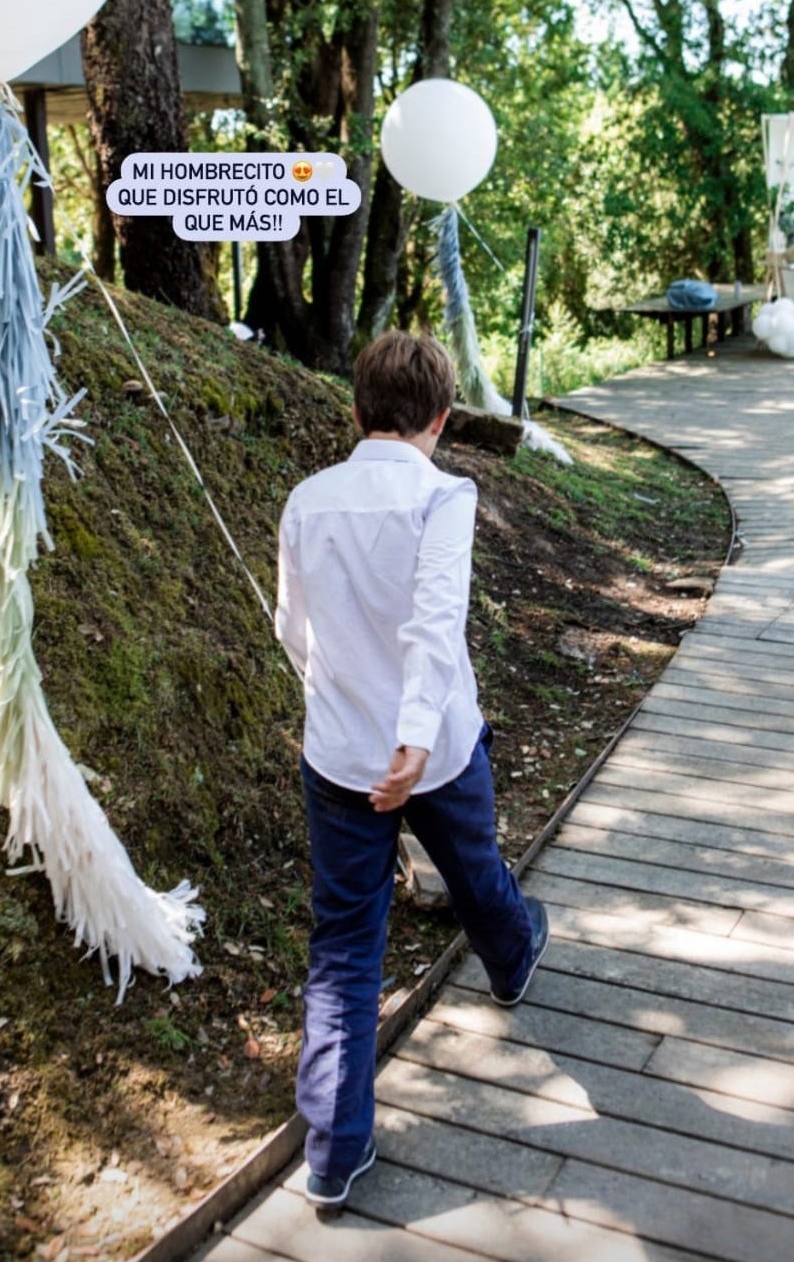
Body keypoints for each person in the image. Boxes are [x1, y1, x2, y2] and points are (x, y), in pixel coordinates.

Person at [275, 329, 549, 1210]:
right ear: (439, 418)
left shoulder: (307, 498)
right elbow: (436, 621)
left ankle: (332, 1150)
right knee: (473, 869)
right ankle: (511, 955)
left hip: (339, 754)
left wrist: (355, 715)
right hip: (434, 748)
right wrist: (414, 742)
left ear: (355, 411)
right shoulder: (444, 494)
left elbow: (293, 629)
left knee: (345, 942)